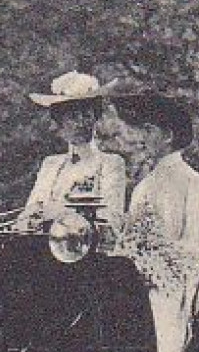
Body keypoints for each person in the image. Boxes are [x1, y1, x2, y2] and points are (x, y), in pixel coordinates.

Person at [101, 85, 199, 352]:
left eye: (148, 130)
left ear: (168, 136)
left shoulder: (194, 184)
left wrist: (156, 261)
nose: (141, 137)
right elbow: (132, 236)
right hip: (139, 276)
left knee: (151, 304)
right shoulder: (146, 185)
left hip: (176, 282)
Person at [16, 71, 127, 234]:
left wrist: (57, 213)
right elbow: (29, 213)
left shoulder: (110, 163)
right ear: (59, 123)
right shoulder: (51, 164)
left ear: (95, 118)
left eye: (87, 115)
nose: (81, 123)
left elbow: (112, 220)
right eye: (73, 116)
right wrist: (27, 222)